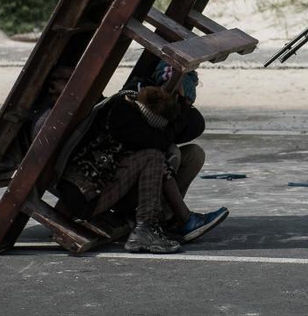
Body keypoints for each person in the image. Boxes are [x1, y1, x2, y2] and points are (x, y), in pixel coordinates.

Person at [54, 85, 228, 253]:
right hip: (88, 197)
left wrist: (180, 101)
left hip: (103, 186)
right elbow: (160, 142)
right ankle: (147, 228)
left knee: (187, 154)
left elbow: (193, 124)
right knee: (154, 157)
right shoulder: (125, 118)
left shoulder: (130, 106)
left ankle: (172, 219)